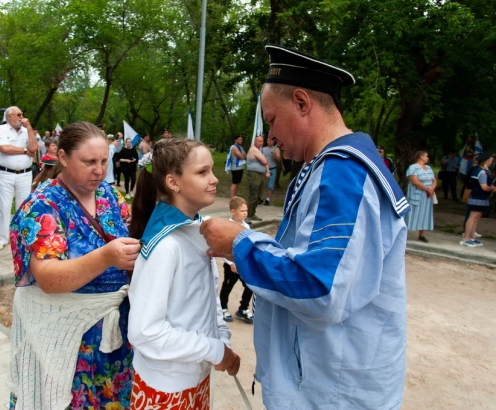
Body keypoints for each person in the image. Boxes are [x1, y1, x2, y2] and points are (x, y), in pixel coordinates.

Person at [200, 45, 409, 409]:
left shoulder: (343, 172)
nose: (271, 136)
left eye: (272, 120)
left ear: (301, 102)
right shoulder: (328, 167)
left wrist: (240, 245)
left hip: (331, 391)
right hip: (323, 378)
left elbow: (319, 288)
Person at [6, 121, 140, 410]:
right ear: (63, 158)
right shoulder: (44, 205)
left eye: (104, 161)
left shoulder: (109, 196)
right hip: (69, 344)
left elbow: (129, 233)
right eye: (89, 161)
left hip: (114, 341)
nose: (100, 170)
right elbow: (49, 280)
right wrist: (106, 257)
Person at [128, 138, 239, 409]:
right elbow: (145, 332)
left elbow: (207, 297)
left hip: (195, 376)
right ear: (173, 182)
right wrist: (214, 350)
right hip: (167, 388)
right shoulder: (165, 246)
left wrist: (221, 338)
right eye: (202, 172)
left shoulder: (198, 228)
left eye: (212, 170)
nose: (214, 179)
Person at [0, 106, 37, 251]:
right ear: (9, 116)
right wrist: (25, 150)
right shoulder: (1, 130)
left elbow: (34, 148)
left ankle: (20, 235)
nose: (21, 116)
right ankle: (2, 237)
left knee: (23, 205)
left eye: (22, 114)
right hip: (6, 173)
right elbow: (5, 148)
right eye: (18, 114)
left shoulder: (26, 131)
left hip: (25, 173)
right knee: (4, 206)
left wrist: (29, 127)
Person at [218, 196, 253, 324]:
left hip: (242, 264)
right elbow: (224, 247)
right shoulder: (227, 226)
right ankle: (223, 308)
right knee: (227, 287)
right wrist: (231, 262)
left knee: (250, 286)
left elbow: (247, 245)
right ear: (233, 212)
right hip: (231, 265)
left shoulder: (246, 227)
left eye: (246, 211)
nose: (245, 213)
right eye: (242, 211)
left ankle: (243, 308)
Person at [460, 152, 494, 248]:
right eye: (491, 160)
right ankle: (466, 238)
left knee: (476, 217)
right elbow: (484, 187)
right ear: (486, 161)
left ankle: (472, 237)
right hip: (477, 197)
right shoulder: (481, 172)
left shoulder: (483, 171)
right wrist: (492, 189)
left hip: (481, 198)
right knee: (472, 217)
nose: (492, 162)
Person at [405, 150, 436, 243]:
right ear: (420, 156)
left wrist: (432, 188)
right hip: (416, 195)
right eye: (426, 156)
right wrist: (427, 188)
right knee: (411, 213)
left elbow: (434, 180)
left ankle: (421, 235)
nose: (428, 158)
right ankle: (404, 233)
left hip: (427, 196)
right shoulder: (413, 168)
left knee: (425, 214)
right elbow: (415, 181)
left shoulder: (428, 168)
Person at [246, 135, 270, 222]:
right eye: (258, 141)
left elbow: (266, 163)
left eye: (261, 141)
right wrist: (265, 162)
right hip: (254, 174)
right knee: (253, 195)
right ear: (255, 141)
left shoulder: (260, 151)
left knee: (259, 196)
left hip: (261, 175)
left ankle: (252, 213)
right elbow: (264, 161)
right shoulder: (253, 150)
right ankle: (247, 215)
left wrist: (267, 170)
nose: (260, 143)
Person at [262, 135, 281, 205]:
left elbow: (279, 160)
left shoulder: (276, 149)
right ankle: (260, 198)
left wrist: (274, 155)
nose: (269, 142)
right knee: (262, 184)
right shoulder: (263, 149)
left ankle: (267, 199)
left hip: (272, 169)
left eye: (271, 140)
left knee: (270, 185)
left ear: (274, 141)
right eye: (268, 140)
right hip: (263, 169)